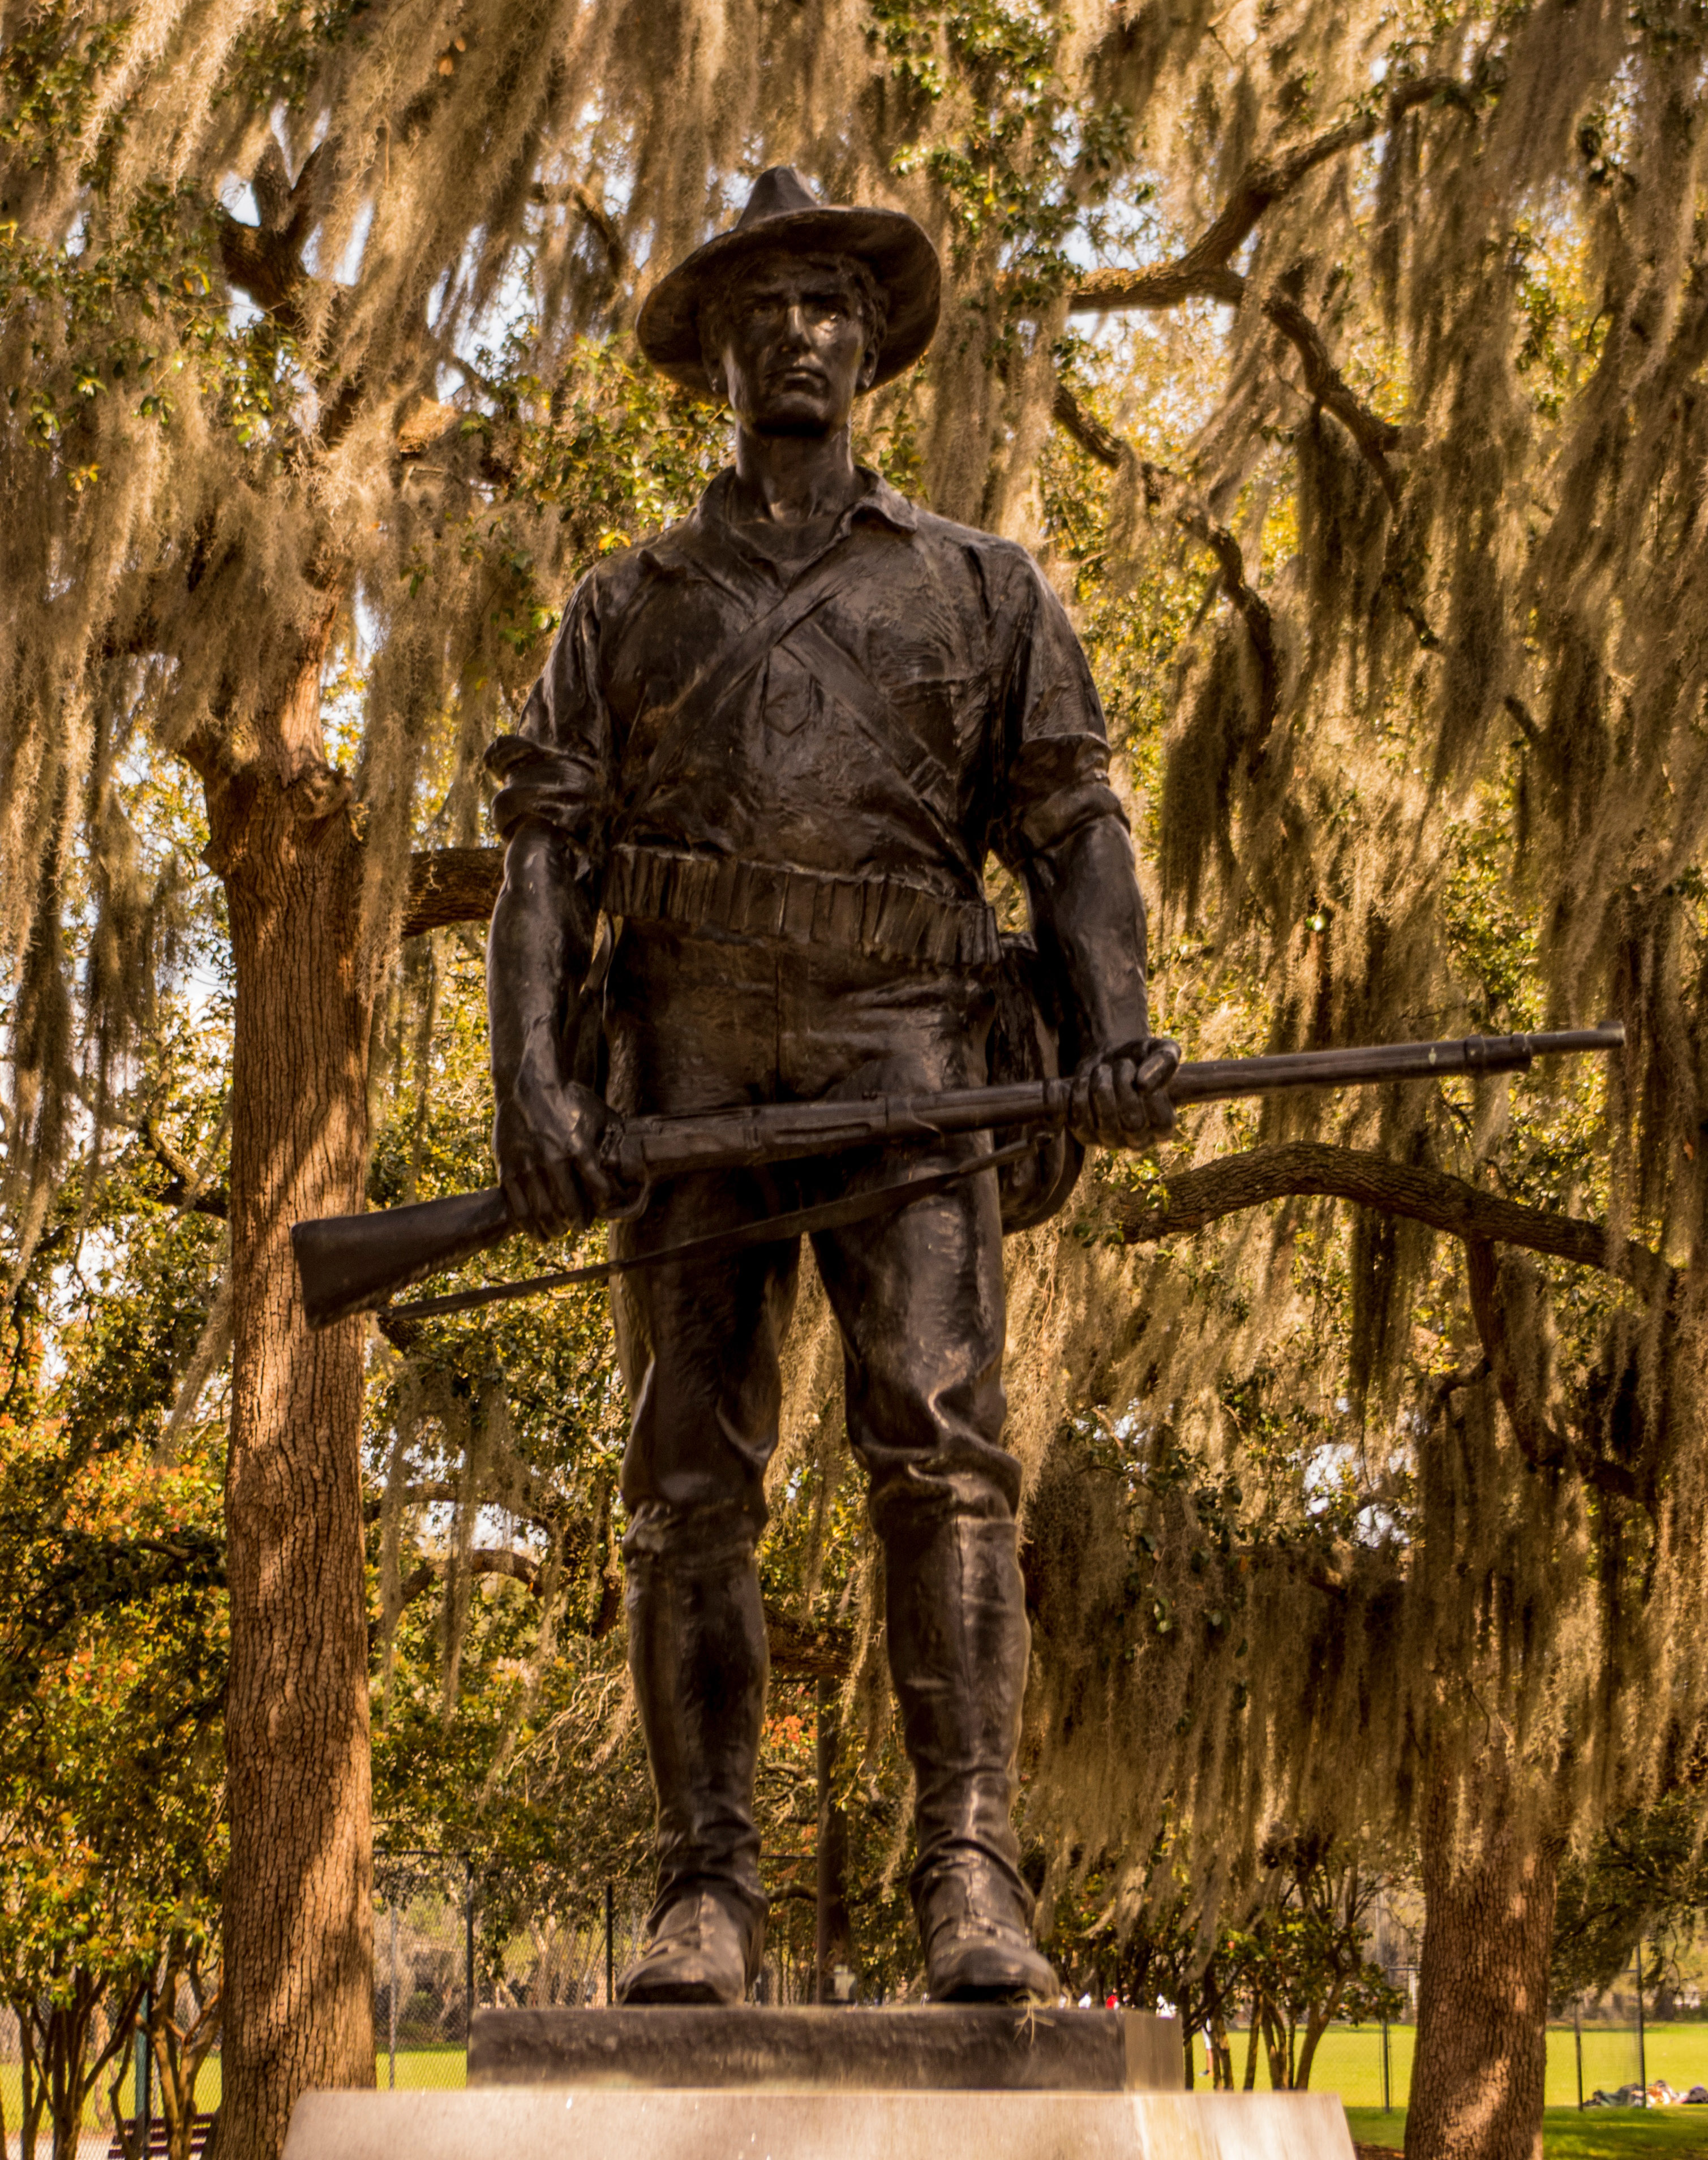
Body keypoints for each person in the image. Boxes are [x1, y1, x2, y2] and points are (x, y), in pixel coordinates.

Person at [483, 166, 1175, 2006]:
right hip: (686, 1063)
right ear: (715, 346)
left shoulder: (980, 586)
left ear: (868, 345)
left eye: (829, 305)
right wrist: (532, 1093)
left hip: (912, 1060)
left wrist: (1109, 1024)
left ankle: (969, 1866)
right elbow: (546, 855)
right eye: (764, 303)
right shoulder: (624, 601)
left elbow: (1073, 825)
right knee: (687, 1485)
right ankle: (701, 1882)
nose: (799, 329)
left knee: (941, 1460)